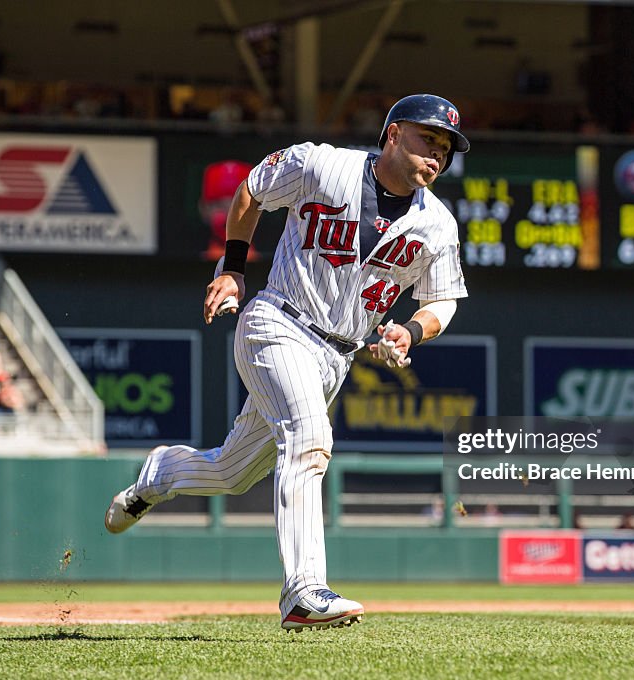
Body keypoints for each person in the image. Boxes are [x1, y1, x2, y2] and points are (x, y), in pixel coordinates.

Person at [105, 94, 470, 631]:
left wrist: (412, 330)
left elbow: (443, 300)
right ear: (392, 134)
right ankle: (302, 592)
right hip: (278, 321)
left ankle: (160, 473)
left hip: (335, 358)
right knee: (310, 437)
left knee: (232, 472)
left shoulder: (436, 224)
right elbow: (253, 189)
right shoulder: (324, 164)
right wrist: (232, 269)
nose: (437, 155)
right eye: (428, 139)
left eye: (445, 149)